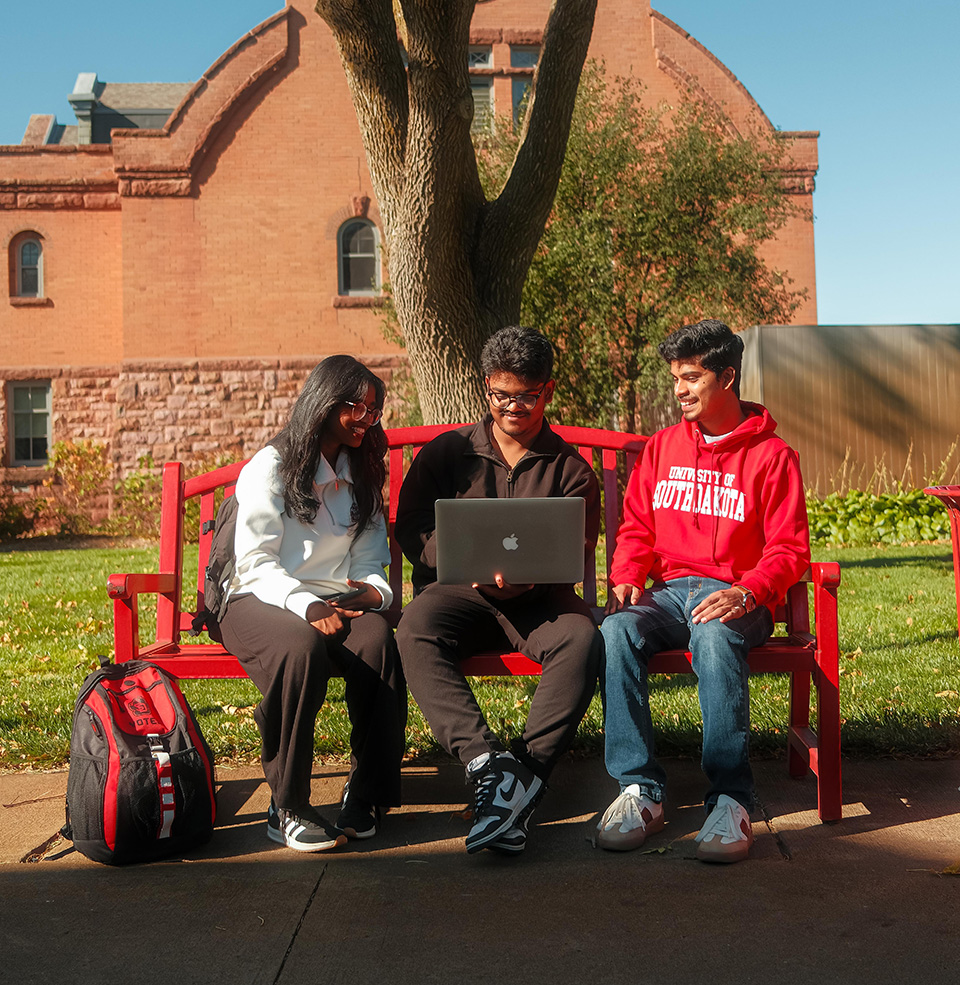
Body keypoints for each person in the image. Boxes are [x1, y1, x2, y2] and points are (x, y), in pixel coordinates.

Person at [596, 319, 810, 863]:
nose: (681, 390)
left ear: (728, 377)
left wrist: (749, 592)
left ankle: (731, 799)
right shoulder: (663, 447)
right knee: (617, 629)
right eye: (676, 379)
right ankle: (639, 789)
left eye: (692, 378)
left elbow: (789, 550)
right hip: (669, 592)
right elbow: (637, 527)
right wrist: (626, 575)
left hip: (740, 595)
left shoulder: (773, 457)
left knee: (713, 637)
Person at [395, 325, 604, 855]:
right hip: (462, 594)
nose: (513, 406)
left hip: (540, 600)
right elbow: (412, 525)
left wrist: (534, 576)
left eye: (527, 395)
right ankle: (487, 764)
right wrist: (460, 560)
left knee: (581, 640)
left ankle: (522, 778)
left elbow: (575, 547)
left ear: (547, 391)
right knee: (416, 627)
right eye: (501, 394)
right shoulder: (449, 454)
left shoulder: (572, 470)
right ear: (485, 387)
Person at [218, 355, 405, 853]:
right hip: (256, 599)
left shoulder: (361, 473)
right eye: (356, 408)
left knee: (377, 640)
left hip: (328, 600)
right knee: (301, 647)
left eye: (373, 410)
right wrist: (308, 606)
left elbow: (369, 561)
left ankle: (366, 795)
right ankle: (288, 806)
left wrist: (369, 594)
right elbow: (254, 562)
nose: (367, 419)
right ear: (324, 402)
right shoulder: (272, 467)